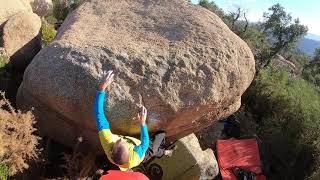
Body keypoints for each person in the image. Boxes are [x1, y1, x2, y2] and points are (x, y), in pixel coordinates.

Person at [94, 70, 149, 171]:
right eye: (123, 142)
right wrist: (142, 124)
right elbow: (145, 143)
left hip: (123, 164)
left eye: (118, 142)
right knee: (158, 140)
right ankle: (163, 152)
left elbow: (99, 115)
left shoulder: (107, 141)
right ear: (130, 151)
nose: (120, 139)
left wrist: (101, 90)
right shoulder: (136, 155)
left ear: (111, 153)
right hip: (141, 153)